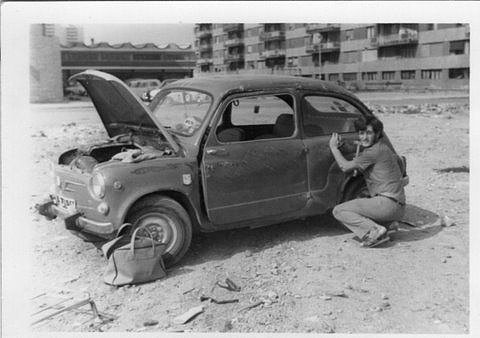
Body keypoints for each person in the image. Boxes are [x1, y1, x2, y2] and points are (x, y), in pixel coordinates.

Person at [329, 116, 406, 247]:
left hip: (386, 204)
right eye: (361, 133)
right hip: (398, 206)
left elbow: (345, 167)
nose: (364, 137)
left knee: (339, 211)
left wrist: (334, 148)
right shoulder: (382, 147)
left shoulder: (373, 152)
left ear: (377, 134)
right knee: (362, 208)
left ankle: (374, 231)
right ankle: (387, 225)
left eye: (369, 133)